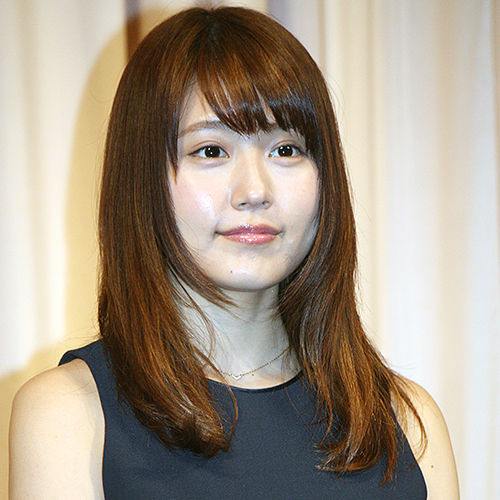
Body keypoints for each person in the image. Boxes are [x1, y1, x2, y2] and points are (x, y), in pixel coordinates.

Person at [9, 6, 459, 499]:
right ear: (141, 180)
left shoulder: (406, 420)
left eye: (286, 149)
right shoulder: (69, 416)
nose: (255, 191)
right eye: (211, 151)